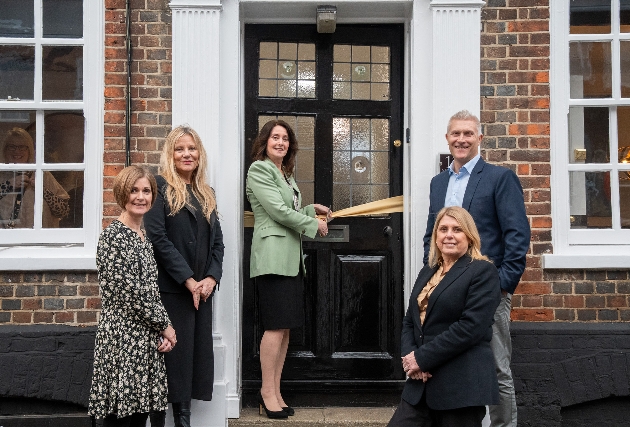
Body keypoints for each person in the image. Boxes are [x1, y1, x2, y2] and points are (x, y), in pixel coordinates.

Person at [423, 110, 530, 427]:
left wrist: (502, 284)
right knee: (451, 362)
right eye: (456, 133)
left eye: (468, 133)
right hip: (446, 290)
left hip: (487, 291)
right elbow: (434, 235)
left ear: (479, 139)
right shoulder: (438, 183)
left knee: (496, 368)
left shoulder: (499, 178)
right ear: (447, 138)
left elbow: (517, 235)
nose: (461, 139)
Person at [246, 119, 330, 419]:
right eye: (274, 137)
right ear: (265, 142)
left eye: (285, 138)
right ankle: (266, 391)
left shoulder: (285, 174)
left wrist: (311, 210)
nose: (280, 142)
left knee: (285, 329)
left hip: (291, 259)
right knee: (274, 326)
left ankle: (275, 389)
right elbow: (277, 212)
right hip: (271, 257)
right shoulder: (259, 170)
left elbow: (291, 210)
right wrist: (313, 225)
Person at [388, 206, 501, 427]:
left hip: (460, 387)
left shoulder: (482, 271)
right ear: (436, 236)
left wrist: (421, 359)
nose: (449, 235)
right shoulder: (428, 270)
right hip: (420, 386)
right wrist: (411, 358)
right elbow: (411, 320)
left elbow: (471, 328)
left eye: (457, 229)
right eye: (443, 229)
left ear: (469, 236)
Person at [144, 125, 225, 427]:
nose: (186, 154)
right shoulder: (159, 187)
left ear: (199, 153)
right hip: (171, 292)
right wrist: (189, 280)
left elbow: (218, 243)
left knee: (191, 363)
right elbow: (157, 238)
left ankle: (184, 422)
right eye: (180, 148)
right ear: (170, 153)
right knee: (168, 363)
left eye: (192, 148)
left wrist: (211, 280)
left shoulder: (207, 193)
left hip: (200, 295)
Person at [89, 165, 177, 427]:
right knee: (121, 419)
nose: (141, 197)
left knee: (139, 416)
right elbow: (131, 293)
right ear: (122, 194)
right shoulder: (113, 237)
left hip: (144, 338)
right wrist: (166, 326)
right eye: (134, 191)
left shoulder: (143, 236)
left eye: (146, 191)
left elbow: (150, 289)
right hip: (121, 339)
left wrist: (160, 331)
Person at [0, 127, 69, 228]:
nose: (17, 151)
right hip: (6, 240)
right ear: (5, 150)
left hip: (38, 240)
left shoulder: (42, 174)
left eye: (22, 147)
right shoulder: (1, 173)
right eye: (12, 147)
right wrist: (8, 185)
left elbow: (63, 211)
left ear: (29, 150)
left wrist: (42, 189)